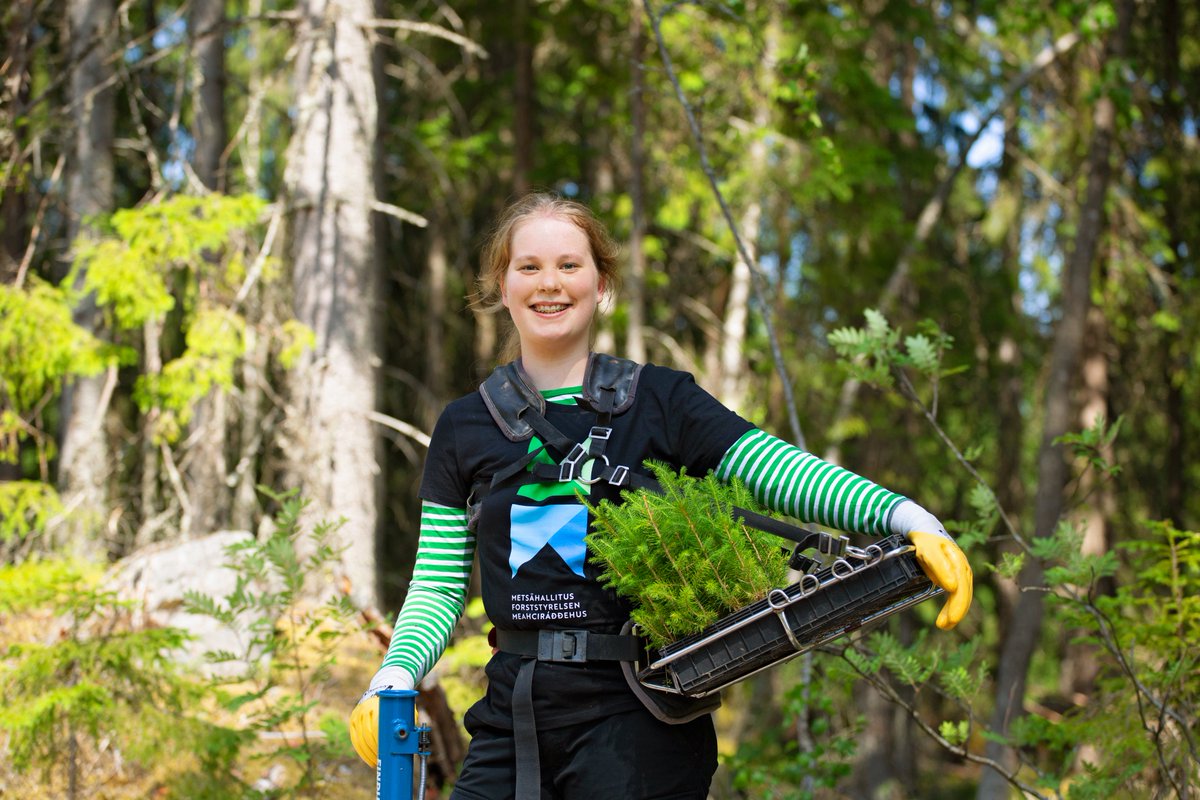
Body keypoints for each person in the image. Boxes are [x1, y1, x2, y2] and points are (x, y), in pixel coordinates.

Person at [349, 192, 972, 799]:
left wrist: (905, 516)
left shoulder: (662, 401)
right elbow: (436, 584)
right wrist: (395, 676)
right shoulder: (464, 426)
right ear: (501, 286)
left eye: (570, 265)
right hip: (511, 720)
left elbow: (775, 470)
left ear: (602, 285)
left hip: (640, 722)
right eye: (529, 267)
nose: (550, 283)